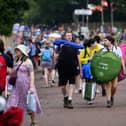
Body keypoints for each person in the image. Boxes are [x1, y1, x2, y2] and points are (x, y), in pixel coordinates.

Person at [6, 44, 42, 125]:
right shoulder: (16, 60)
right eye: (16, 50)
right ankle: (15, 122)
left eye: (17, 50)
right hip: (16, 86)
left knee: (30, 104)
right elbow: (13, 72)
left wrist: (32, 87)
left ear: (22, 52)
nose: (16, 52)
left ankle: (33, 121)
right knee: (13, 103)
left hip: (26, 86)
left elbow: (32, 74)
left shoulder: (28, 61)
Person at [56, 31, 82, 109]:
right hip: (62, 67)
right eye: (67, 35)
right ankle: (65, 97)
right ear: (64, 37)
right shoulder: (60, 46)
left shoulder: (75, 46)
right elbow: (55, 57)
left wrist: (80, 70)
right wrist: (60, 50)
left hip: (72, 67)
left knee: (71, 84)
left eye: (70, 35)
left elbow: (78, 58)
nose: (69, 37)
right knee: (63, 86)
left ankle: (70, 100)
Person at [102, 36, 126, 108]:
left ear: (110, 41)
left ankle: (112, 96)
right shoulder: (103, 50)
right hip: (107, 70)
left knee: (114, 86)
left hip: (115, 70)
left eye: (105, 40)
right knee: (108, 85)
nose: (104, 42)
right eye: (104, 41)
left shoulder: (117, 49)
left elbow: (121, 59)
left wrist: (124, 69)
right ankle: (108, 101)